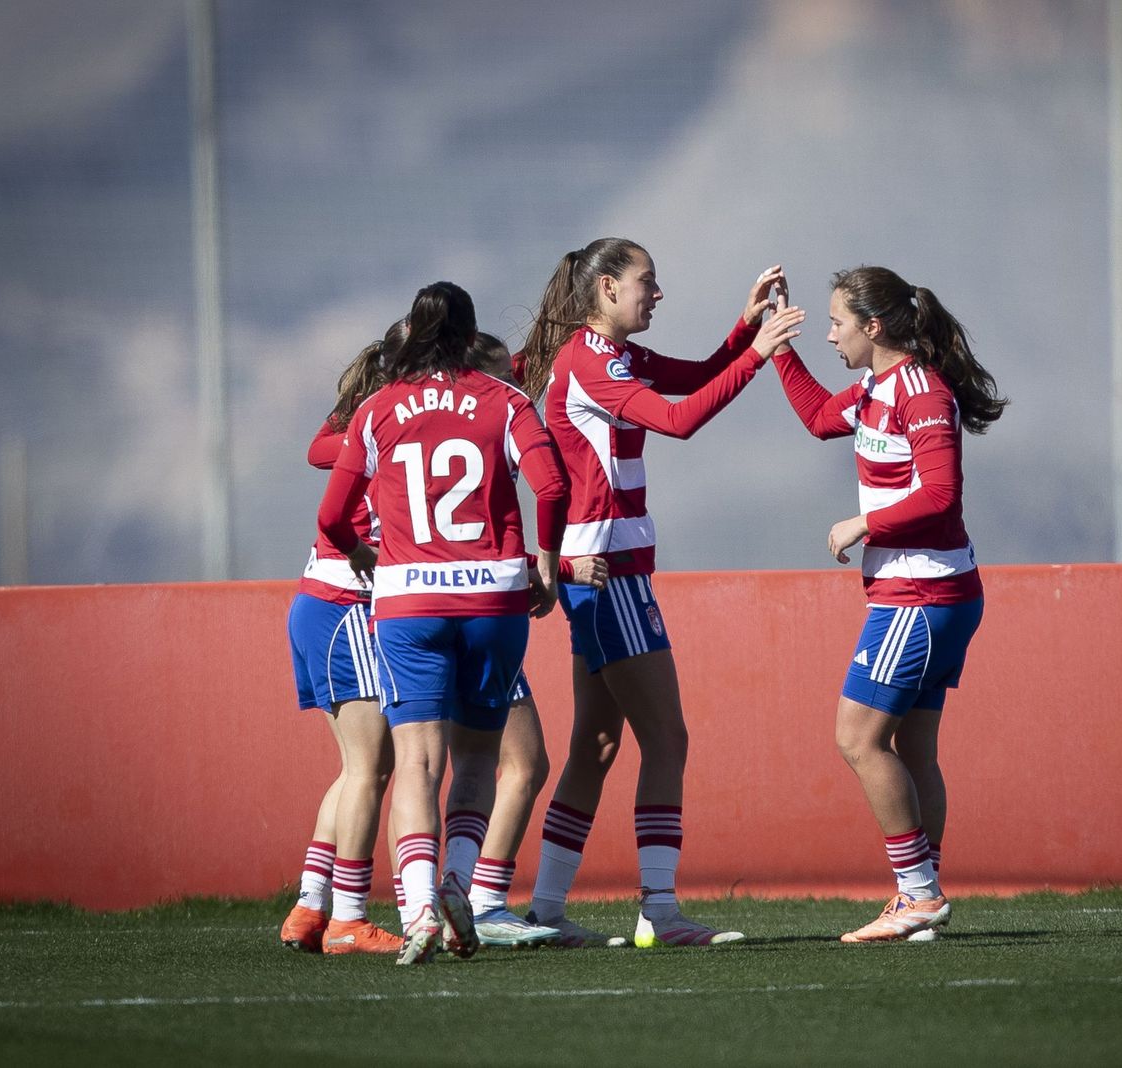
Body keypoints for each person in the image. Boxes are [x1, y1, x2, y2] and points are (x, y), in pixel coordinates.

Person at [515, 239, 804, 947]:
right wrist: (763, 352)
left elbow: (697, 375)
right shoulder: (592, 360)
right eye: (648, 281)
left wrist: (742, 330)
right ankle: (660, 911)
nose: (659, 293)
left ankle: (547, 909)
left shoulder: (602, 354)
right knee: (666, 737)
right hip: (609, 572)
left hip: (606, 568)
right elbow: (678, 420)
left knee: (599, 742)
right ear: (608, 288)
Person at [317, 282, 570, 965]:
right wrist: (543, 565)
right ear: (469, 333)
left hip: (408, 604)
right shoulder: (505, 400)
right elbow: (551, 486)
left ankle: (421, 907)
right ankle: (461, 882)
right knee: (481, 759)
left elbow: (331, 520)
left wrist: (373, 558)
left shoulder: (376, 410)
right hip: (492, 598)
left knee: (417, 765)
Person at [768, 266, 1005, 943]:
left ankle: (919, 895)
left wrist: (862, 523)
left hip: (922, 593)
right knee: (913, 748)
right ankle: (922, 900)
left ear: (874, 327)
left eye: (838, 322)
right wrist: (777, 345)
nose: (832, 334)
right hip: (925, 592)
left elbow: (939, 495)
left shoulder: (922, 392)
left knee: (857, 737)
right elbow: (818, 418)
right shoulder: (876, 387)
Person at [436, 334, 610, 949]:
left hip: (417, 612)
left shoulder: (411, 424)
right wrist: (560, 568)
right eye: (501, 378)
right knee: (521, 762)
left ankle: (432, 899)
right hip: (478, 611)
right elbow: (504, 529)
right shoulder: (494, 425)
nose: (513, 388)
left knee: (435, 765)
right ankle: (482, 901)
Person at [279, 320, 408, 956]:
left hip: (316, 607)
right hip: (344, 608)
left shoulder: (367, 426)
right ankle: (349, 920)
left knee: (355, 767)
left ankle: (309, 906)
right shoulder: (385, 427)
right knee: (371, 767)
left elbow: (318, 447)